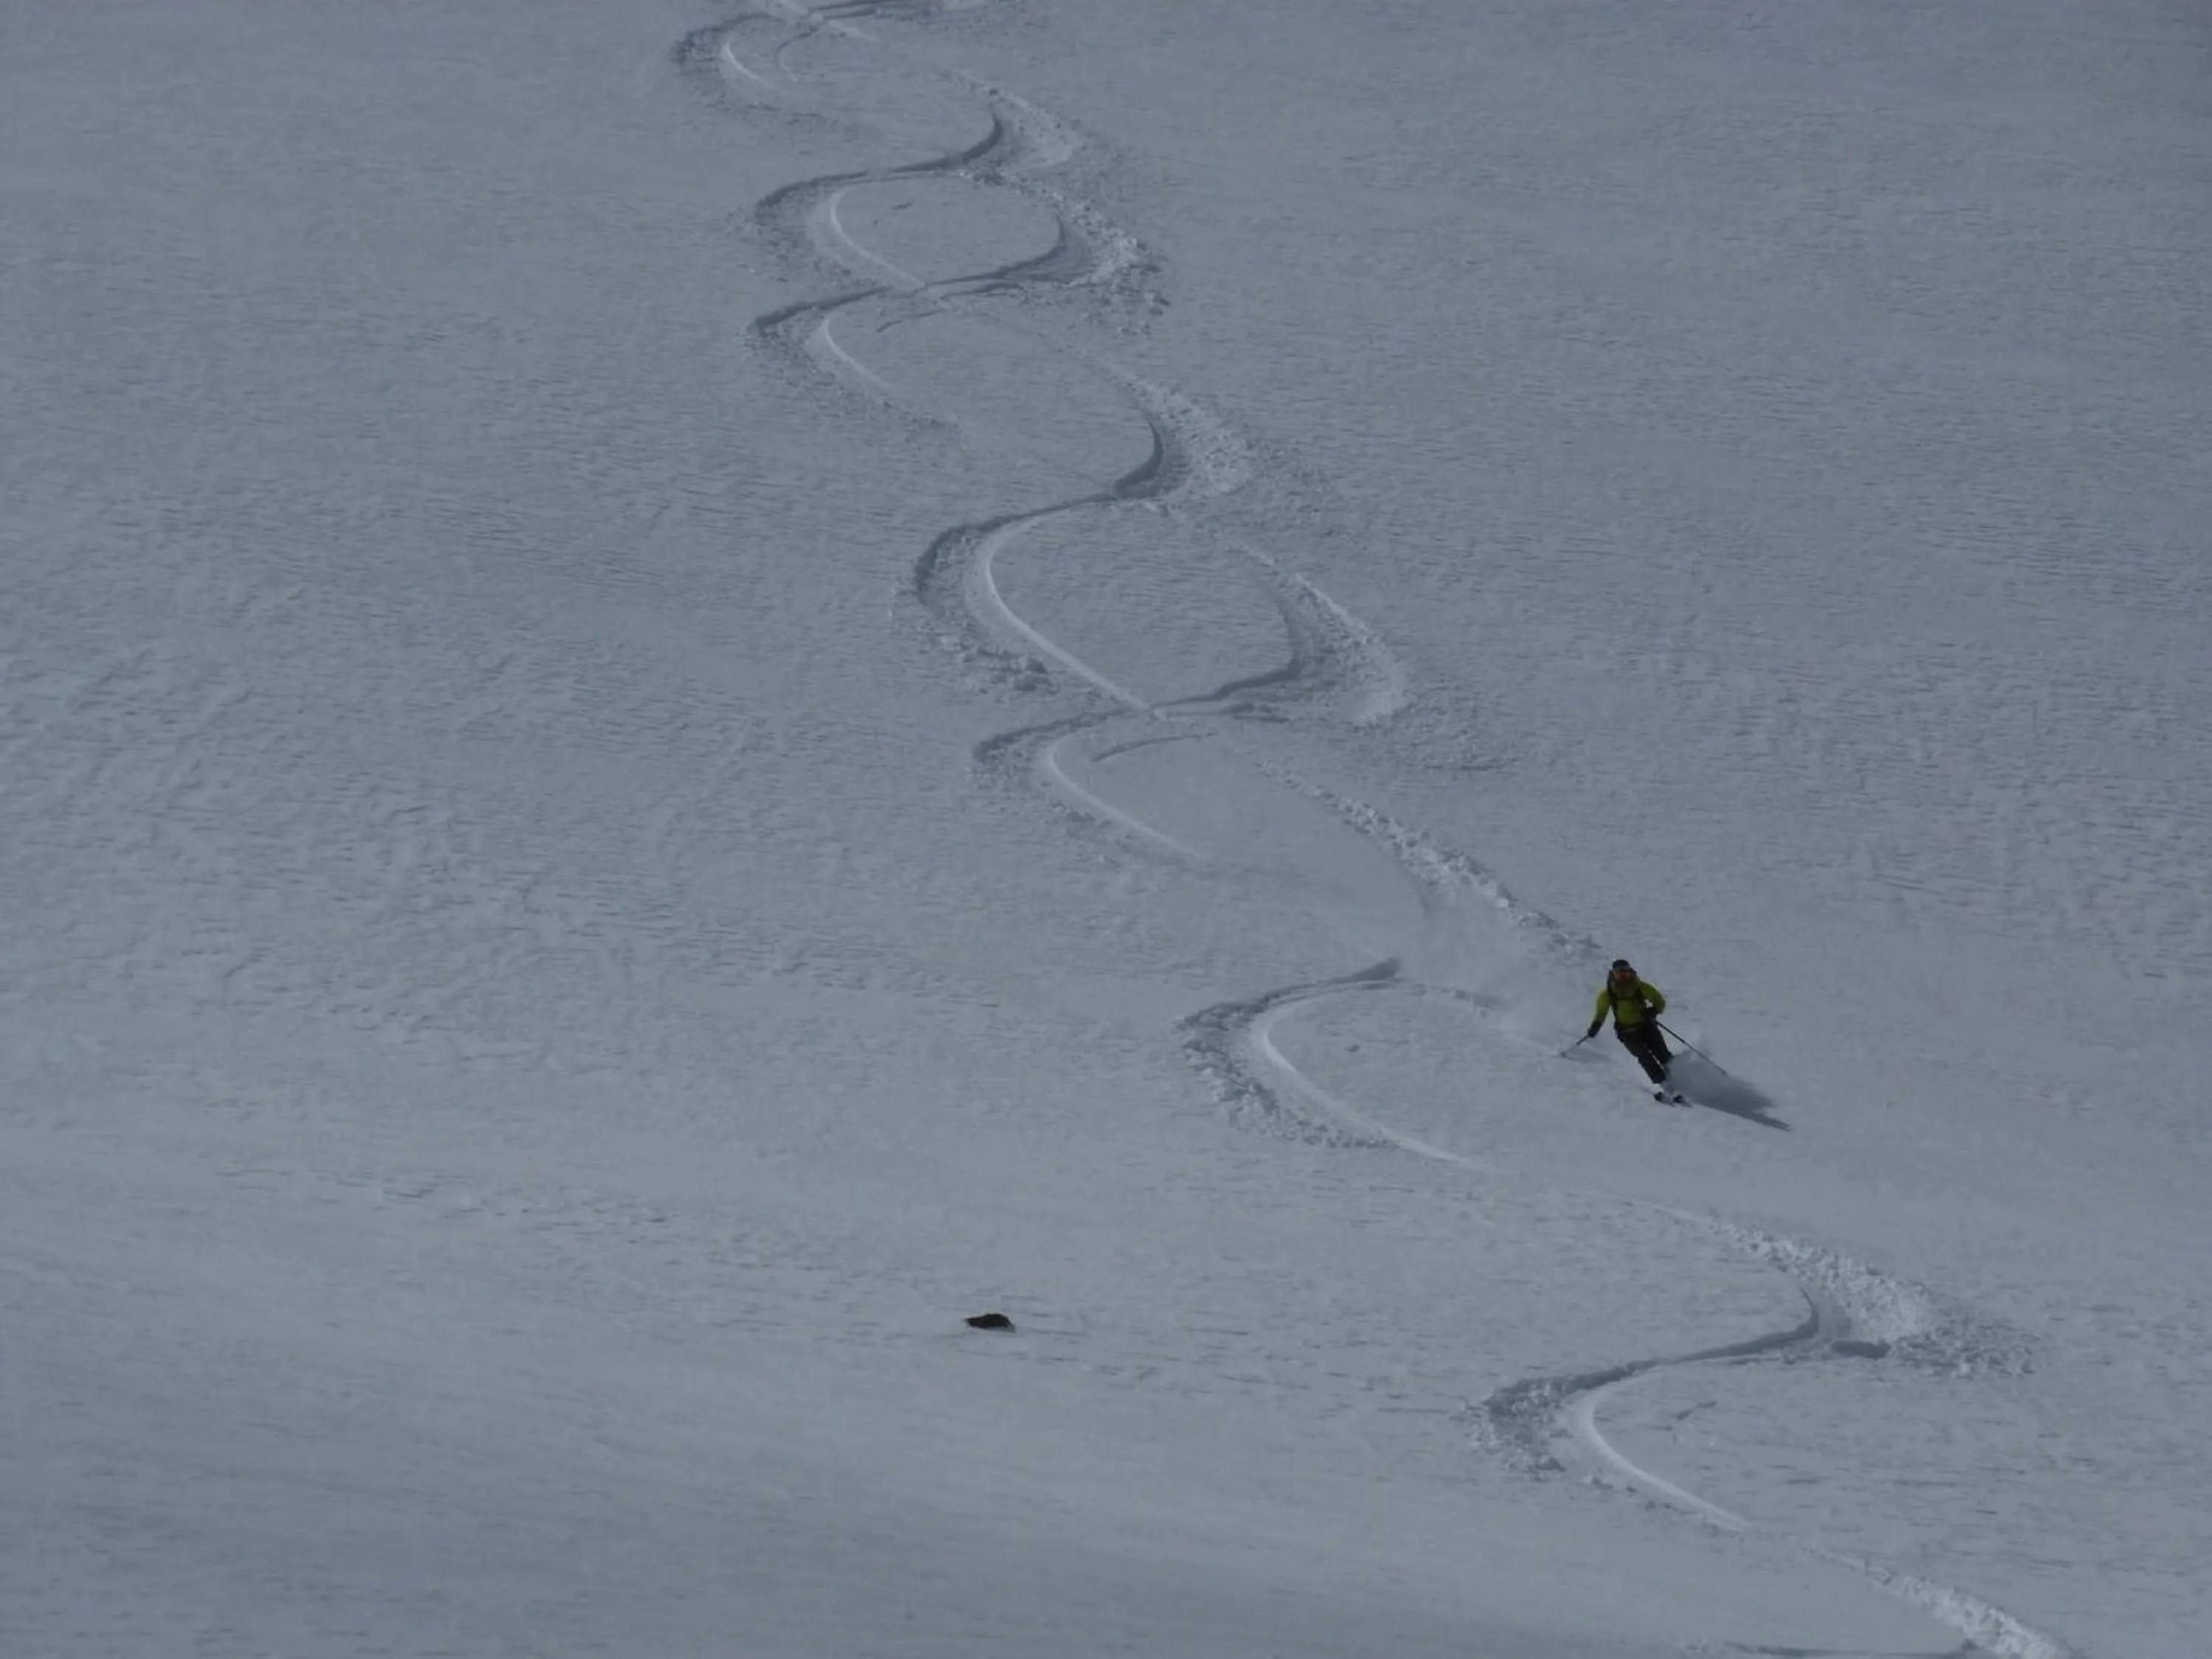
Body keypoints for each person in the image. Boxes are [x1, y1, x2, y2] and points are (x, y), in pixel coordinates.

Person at [1585, 959, 1676, 1094]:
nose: (1623, 975)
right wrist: (1595, 1026)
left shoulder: (1640, 986)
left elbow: (1659, 1000)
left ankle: (1679, 1078)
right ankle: (1664, 1084)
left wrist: (1654, 1010)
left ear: (1630, 972)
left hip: (1647, 1026)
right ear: (1613, 973)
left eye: (1626, 971)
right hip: (1627, 1032)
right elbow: (1601, 1012)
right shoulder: (1608, 993)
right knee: (1644, 1057)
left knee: (1663, 1054)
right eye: (1619, 972)